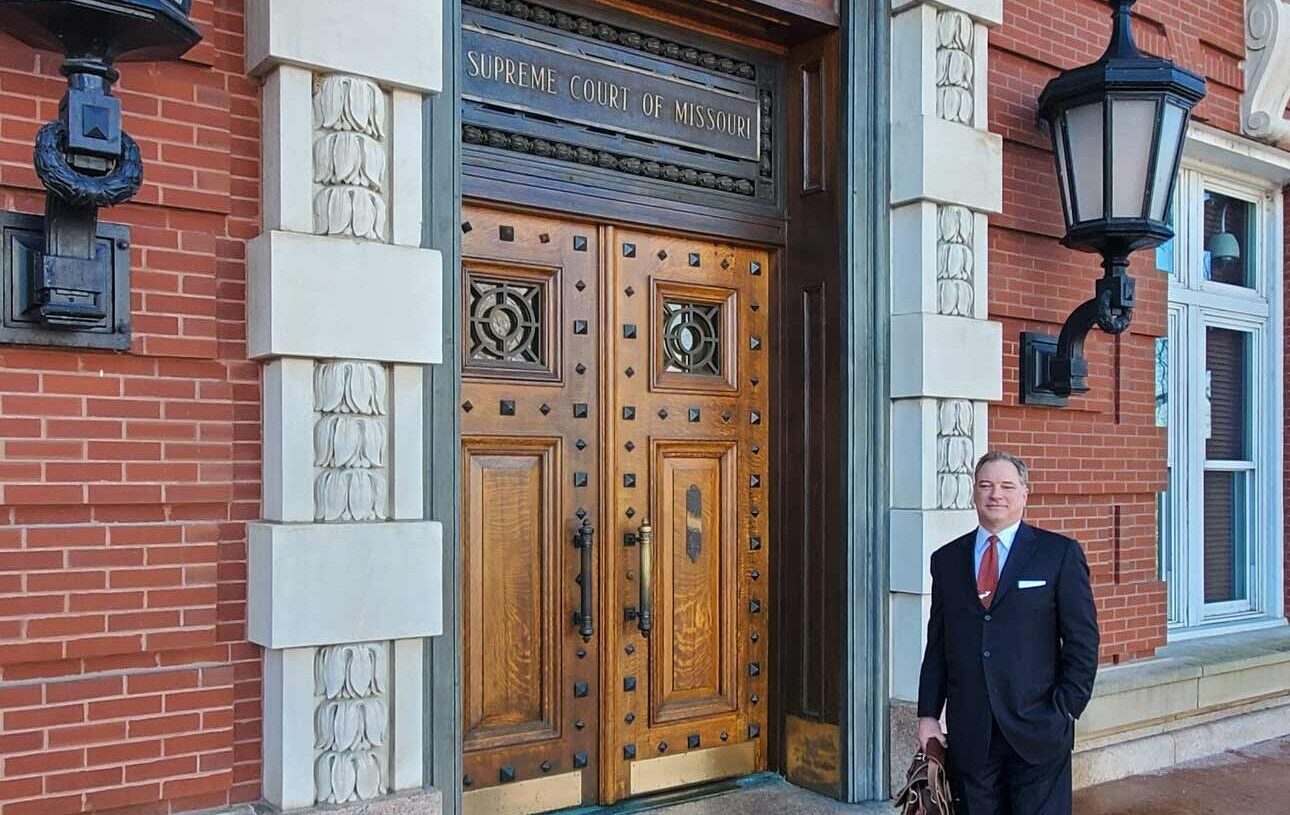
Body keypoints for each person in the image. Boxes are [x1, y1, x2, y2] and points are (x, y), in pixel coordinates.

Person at [916, 451, 1099, 815]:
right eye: (985, 485)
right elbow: (938, 644)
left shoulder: (1059, 554)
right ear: (973, 493)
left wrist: (1066, 709)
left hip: (1040, 729)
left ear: (1024, 494)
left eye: (1006, 486)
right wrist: (927, 714)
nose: (995, 494)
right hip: (971, 733)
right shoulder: (946, 560)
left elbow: (1082, 640)